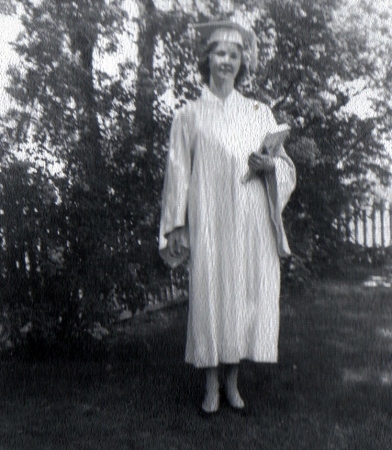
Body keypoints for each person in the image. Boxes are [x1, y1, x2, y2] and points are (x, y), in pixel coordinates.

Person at [159, 20, 296, 415]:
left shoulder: (258, 112)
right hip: (209, 222)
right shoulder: (189, 115)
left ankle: (232, 382)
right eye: (220, 53)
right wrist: (177, 225)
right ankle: (210, 385)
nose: (227, 61)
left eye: (234, 55)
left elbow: (284, 168)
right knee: (209, 297)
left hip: (249, 222)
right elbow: (178, 171)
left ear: (242, 63)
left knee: (242, 297)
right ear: (208, 59)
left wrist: (270, 164)